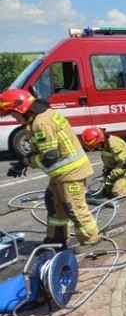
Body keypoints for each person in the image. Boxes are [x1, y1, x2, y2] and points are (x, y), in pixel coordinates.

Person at [0, 89, 101, 249]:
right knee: (54, 204)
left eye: (13, 114)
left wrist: (27, 161)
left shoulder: (41, 122)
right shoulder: (41, 116)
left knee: (74, 207)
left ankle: (92, 241)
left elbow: (49, 157)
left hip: (71, 173)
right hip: (61, 174)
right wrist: (22, 162)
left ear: (21, 108)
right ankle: (56, 239)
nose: (14, 118)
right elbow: (44, 147)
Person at [80, 127, 126, 197]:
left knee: (116, 192)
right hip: (115, 168)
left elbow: (124, 165)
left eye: (96, 144)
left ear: (100, 140)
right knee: (107, 192)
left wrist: (111, 176)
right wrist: (106, 170)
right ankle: (124, 181)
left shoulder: (114, 145)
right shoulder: (103, 144)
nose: (96, 147)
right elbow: (107, 159)